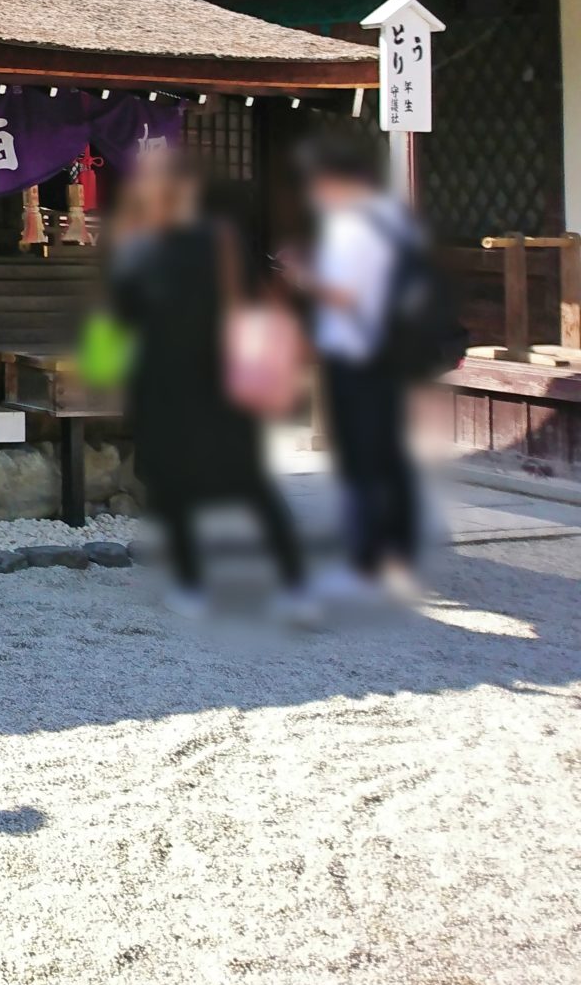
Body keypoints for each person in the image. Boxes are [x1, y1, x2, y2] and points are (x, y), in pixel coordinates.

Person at [107, 146, 315, 622]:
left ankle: (192, 584)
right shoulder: (224, 239)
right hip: (225, 380)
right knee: (247, 481)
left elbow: (120, 318)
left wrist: (99, 371)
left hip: (169, 383)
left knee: (173, 484)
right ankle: (294, 585)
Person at [286, 133, 423, 598]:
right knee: (387, 455)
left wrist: (304, 276)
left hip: (359, 353)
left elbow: (346, 293)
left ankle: (366, 562)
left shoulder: (353, 226)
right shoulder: (388, 219)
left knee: (363, 457)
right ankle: (398, 554)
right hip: (388, 350)